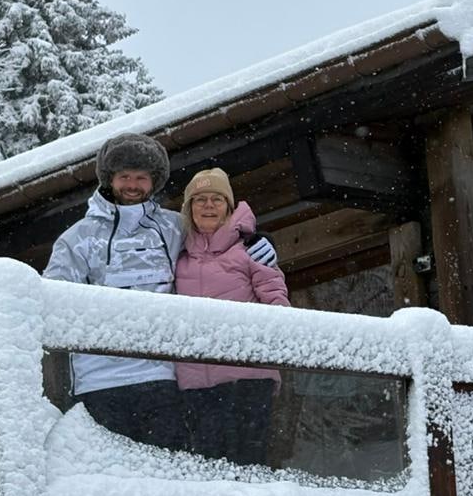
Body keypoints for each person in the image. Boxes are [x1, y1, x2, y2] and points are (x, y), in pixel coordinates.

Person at [43, 132, 187, 448]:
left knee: (166, 478)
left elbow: (218, 241)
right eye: (124, 176)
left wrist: (256, 238)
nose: (132, 185)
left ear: (155, 182)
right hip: (98, 381)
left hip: (160, 377)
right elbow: (52, 301)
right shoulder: (77, 238)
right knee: (107, 481)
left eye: (141, 177)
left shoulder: (175, 227)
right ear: (110, 179)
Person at [173, 167, 290, 464]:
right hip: (197, 383)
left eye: (217, 199)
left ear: (229, 206)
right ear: (188, 209)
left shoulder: (251, 250)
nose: (209, 206)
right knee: (209, 469)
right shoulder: (177, 257)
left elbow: (278, 304)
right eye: (200, 200)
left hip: (247, 378)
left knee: (249, 464)